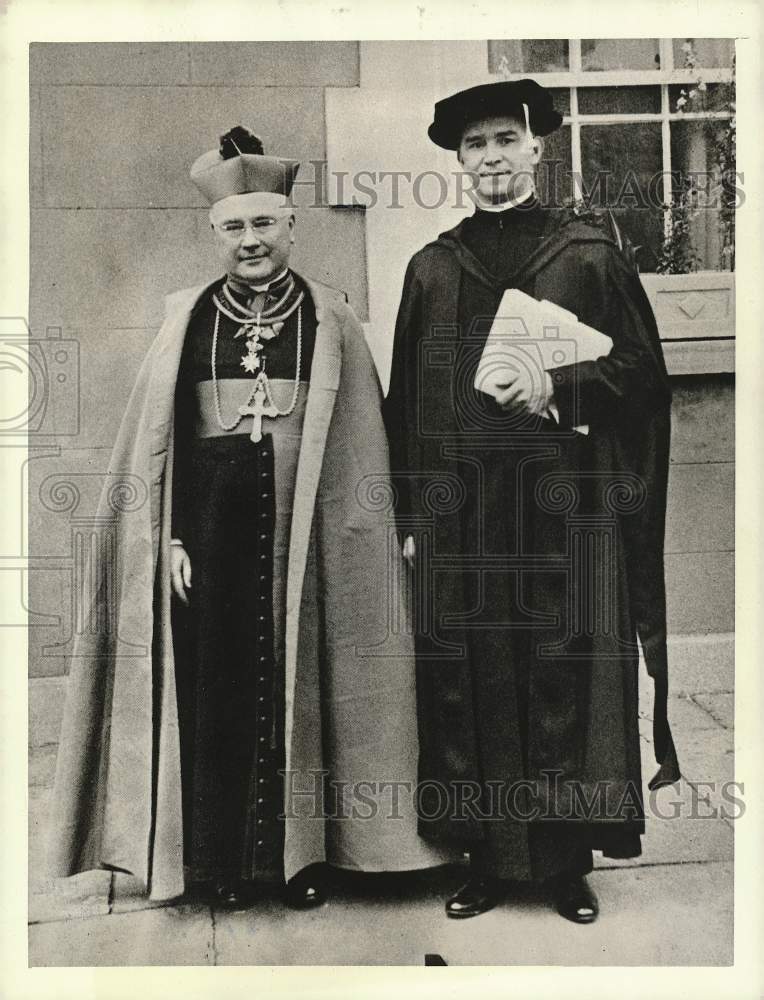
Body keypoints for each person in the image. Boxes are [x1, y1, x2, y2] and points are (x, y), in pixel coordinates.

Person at [48, 126, 452, 910]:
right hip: (210, 543)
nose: (250, 241)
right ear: (214, 235)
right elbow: (158, 448)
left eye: (264, 224)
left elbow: (362, 449)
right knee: (218, 697)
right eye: (234, 228)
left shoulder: (332, 322)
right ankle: (215, 868)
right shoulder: (187, 321)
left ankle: (296, 863)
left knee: (299, 695)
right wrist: (165, 536)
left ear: (291, 228)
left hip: (304, 541)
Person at [383, 80, 680, 924]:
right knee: (470, 683)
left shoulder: (587, 255)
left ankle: (561, 863)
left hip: (567, 510)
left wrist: (560, 381)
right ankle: (486, 855)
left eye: (505, 142)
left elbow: (641, 379)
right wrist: (411, 518)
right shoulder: (433, 268)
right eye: (475, 146)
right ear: (459, 161)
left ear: (538, 148)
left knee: (566, 676)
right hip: (466, 518)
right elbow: (408, 403)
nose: (492, 159)